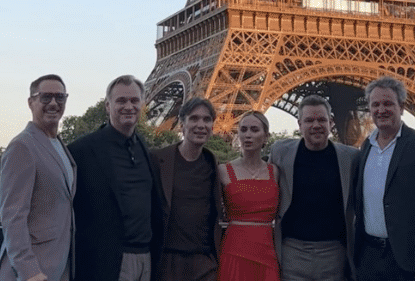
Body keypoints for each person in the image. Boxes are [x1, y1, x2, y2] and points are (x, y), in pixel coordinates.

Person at [350, 77, 415, 281]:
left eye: (388, 103)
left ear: (402, 107)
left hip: (408, 260)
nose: (381, 110)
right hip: (368, 256)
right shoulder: (366, 147)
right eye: (375, 105)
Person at [69, 75, 165, 281]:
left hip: (145, 258)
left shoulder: (143, 148)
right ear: (107, 105)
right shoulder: (82, 151)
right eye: (121, 101)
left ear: (142, 104)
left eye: (134, 101)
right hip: (106, 261)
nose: (128, 106)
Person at [0, 74, 75, 281]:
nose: (54, 103)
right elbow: (13, 217)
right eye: (46, 97)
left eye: (60, 97)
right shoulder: (22, 146)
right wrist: (29, 272)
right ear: (31, 103)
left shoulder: (59, 147)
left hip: (59, 265)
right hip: (32, 272)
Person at [270, 96, 359, 281]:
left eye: (322, 120)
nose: (316, 125)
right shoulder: (280, 151)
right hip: (292, 252)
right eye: (309, 120)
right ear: (300, 124)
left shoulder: (350, 157)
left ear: (331, 122)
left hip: (334, 253)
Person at [150, 97, 223, 281]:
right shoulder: (158, 160)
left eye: (207, 120)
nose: (201, 125)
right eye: (194, 118)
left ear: (212, 127)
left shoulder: (213, 164)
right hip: (167, 262)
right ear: (182, 124)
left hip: (204, 264)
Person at [218, 111, 280, 281]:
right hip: (234, 251)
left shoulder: (274, 172)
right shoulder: (223, 171)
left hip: (267, 252)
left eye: (254, 130)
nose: (248, 135)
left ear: (266, 136)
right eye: (243, 130)